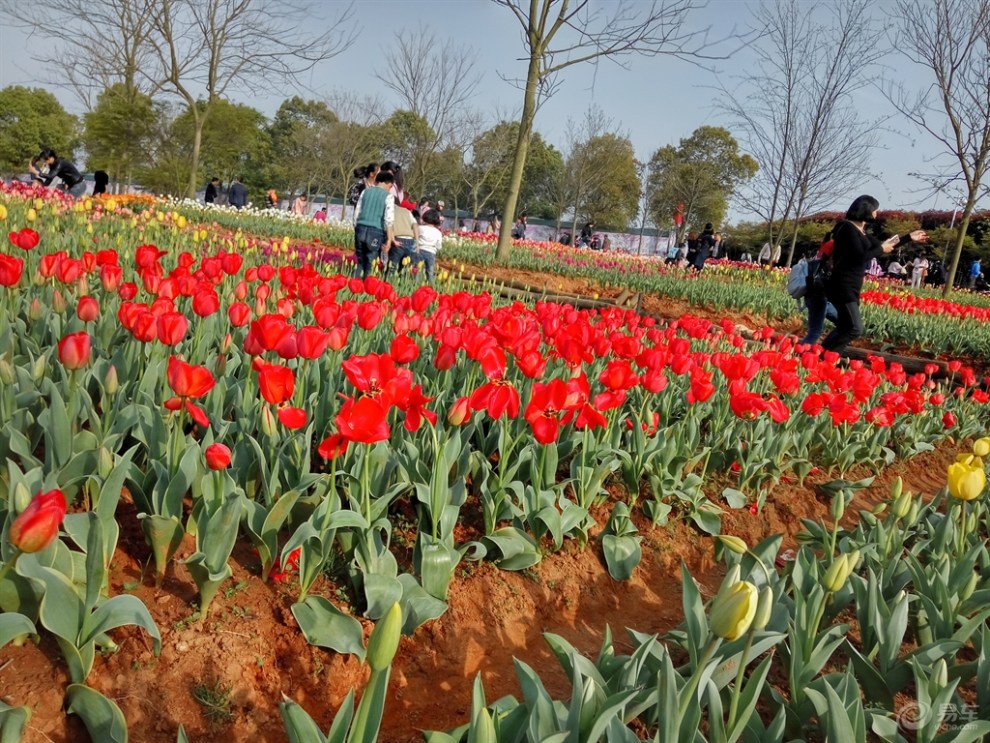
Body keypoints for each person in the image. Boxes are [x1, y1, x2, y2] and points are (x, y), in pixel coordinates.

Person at [821, 195, 927, 353]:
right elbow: (859, 256)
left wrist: (909, 238)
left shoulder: (860, 231)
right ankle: (827, 357)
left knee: (846, 326)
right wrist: (880, 249)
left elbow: (884, 245)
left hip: (851, 285)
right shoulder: (847, 229)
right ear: (866, 210)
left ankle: (820, 354)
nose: (877, 214)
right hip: (842, 285)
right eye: (875, 210)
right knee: (854, 328)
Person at [352, 170, 395, 278]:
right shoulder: (388, 196)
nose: (389, 189)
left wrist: (356, 227)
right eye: (390, 186)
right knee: (370, 263)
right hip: (375, 231)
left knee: (360, 261)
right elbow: (388, 219)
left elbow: (357, 212)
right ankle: (367, 287)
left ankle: (354, 284)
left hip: (360, 228)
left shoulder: (365, 192)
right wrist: (389, 240)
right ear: (386, 183)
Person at [800, 233, 839, 346]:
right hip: (819, 300)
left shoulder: (814, 263)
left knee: (847, 324)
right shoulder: (828, 265)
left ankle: (825, 349)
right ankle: (800, 354)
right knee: (815, 332)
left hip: (818, 300)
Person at [387, 196, 418, 277]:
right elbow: (415, 225)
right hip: (410, 240)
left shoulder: (389, 210)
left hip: (398, 239)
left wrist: (393, 240)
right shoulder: (406, 211)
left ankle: (388, 285)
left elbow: (389, 225)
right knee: (405, 268)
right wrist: (417, 243)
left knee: (392, 267)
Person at [415, 208, 443, 282]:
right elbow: (439, 246)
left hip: (420, 251)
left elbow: (415, 238)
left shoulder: (420, 228)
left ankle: (416, 285)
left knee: (418, 271)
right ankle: (431, 288)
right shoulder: (438, 232)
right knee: (430, 272)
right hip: (431, 253)